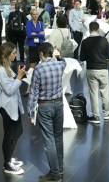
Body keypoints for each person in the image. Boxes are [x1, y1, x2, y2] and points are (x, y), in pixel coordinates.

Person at [27, 43, 66, 182]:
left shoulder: (38, 68)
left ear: (42, 54)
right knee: (58, 137)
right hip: (59, 104)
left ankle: (55, 173)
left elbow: (34, 92)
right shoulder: (60, 65)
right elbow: (64, 61)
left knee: (49, 140)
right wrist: (58, 55)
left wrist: (31, 111)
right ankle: (60, 168)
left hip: (45, 106)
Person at [0, 42, 26, 175]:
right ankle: (7, 164)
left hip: (11, 104)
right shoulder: (0, 70)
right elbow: (9, 90)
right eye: (13, 53)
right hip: (6, 106)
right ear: (7, 54)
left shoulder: (6, 67)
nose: (15, 55)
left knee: (18, 131)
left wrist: (18, 76)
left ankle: (9, 157)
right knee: (10, 134)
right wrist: (19, 77)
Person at [79, 21, 109, 124]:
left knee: (93, 93)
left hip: (91, 69)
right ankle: (106, 114)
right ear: (98, 29)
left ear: (89, 30)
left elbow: (82, 57)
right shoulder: (104, 40)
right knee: (105, 92)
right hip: (103, 69)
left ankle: (96, 116)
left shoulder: (85, 42)